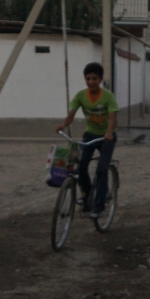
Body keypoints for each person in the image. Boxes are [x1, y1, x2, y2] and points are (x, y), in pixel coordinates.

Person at [60, 61, 118, 220]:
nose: (91, 82)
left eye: (94, 78)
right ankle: (87, 195)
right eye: (88, 78)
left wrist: (109, 133)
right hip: (90, 135)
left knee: (101, 170)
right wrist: (63, 125)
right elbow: (71, 115)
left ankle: (99, 207)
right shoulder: (80, 96)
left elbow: (112, 118)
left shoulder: (108, 96)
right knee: (81, 166)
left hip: (107, 137)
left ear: (100, 79)